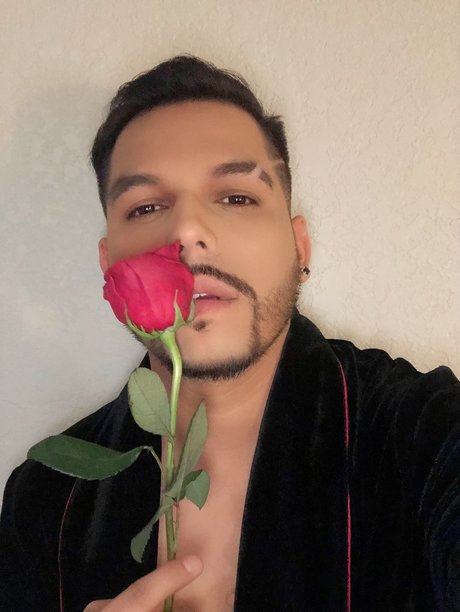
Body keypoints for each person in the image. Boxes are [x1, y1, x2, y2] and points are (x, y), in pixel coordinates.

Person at [1, 55, 459, 612]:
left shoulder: (422, 433)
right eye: (145, 207)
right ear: (108, 264)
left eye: (237, 197)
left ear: (299, 247)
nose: (187, 230)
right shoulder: (45, 497)